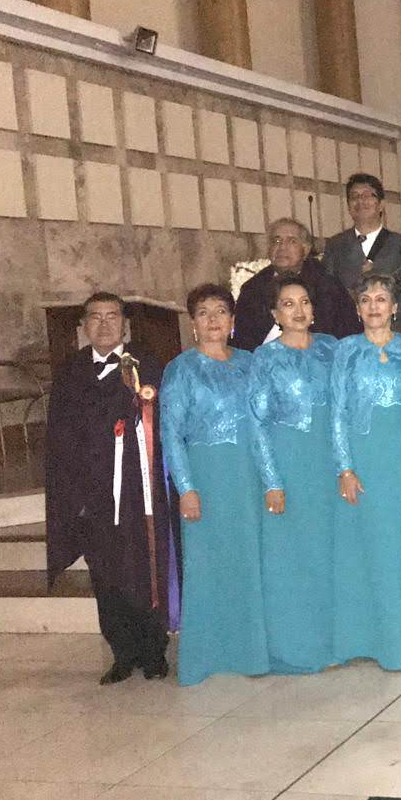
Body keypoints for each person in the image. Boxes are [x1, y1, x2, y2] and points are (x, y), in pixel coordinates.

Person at [45, 292, 171, 684]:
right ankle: (122, 652)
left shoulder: (147, 366)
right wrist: (74, 496)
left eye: (112, 316)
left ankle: (153, 651)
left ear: (125, 325)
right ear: (83, 326)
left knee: (144, 567)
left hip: (140, 490)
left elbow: (163, 424)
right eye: (95, 318)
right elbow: (60, 438)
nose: (104, 324)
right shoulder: (69, 373)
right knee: (107, 574)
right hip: (93, 493)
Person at [161, 284, 269, 685]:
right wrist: (186, 488)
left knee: (250, 559)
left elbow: (264, 422)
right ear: (193, 323)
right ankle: (207, 654)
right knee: (208, 562)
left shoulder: (250, 363)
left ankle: (253, 651)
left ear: (233, 320)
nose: (212, 321)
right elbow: (170, 434)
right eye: (203, 313)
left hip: (248, 473)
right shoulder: (181, 369)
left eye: (220, 311)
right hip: (206, 474)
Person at [330, 273, 401, 670]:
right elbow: (337, 413)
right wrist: (345, 468)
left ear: (396, 306)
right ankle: (377, 638)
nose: (374, 306)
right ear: (356, 308)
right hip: (365, 457)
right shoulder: (345, 351)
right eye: (365, 299)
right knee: (370, 547)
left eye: (381, 298)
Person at [248, 276, 339, 674]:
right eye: (288, 304)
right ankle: (294, 646)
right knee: (292, 557)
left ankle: (336, 640)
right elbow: (257, 422)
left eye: (304, 302)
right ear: (275, 314)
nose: (298, 310)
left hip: (330, 461)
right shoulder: (264, 359)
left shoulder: (333, 350)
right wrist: (272, 480)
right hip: (288, 462)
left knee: (330, 553)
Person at [232, 217, 359, 350]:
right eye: (276, 241)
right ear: (269, 249)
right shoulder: (252, 289)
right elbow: (242, 343)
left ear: (306, 249)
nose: (282, 247)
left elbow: (348, 335)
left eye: (292, 241)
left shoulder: (328, 286)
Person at [322, 173, 401, 335]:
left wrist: (382, 314)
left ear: (381, 204)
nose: (360, 201)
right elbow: (327, 294)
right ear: (348, 205)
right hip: (350, 335)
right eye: (354, 196)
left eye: (367, 195)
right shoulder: (335, 245)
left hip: (399, 333)